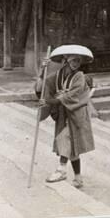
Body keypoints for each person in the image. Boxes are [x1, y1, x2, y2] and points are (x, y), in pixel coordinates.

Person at [35, 45, 95, 188]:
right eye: (74, 60)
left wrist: (52, 101)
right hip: (63, 113)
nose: (76, 63)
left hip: (76, 113)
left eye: (78, 61)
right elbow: (42, 87)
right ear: (66, 60)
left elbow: (71, 95)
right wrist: (42, 71)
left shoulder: (79, 77)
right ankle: (78, 178)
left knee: (65, 138)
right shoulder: (58, 75)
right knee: (70, 145)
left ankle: (61, 170)